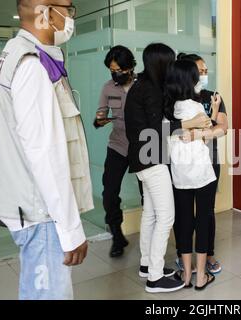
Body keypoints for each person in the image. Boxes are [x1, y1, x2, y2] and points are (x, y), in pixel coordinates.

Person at [0, 0, 93, 300]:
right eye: (67, 9)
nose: (70, 18)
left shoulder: (17, 55)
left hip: (31, 206)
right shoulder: (31, 65)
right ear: (43, 10)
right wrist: (71, 230)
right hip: (41, 212)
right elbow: (46, 155)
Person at [124, 43, 212, 293]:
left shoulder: (142, 86)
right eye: (170, 61)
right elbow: (155, 131)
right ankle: (154, 277)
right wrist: (190, 122)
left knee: (151, 214)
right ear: (161, 62)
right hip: (151, 159)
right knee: (166, 217)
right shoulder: (149, 90)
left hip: (142, 158)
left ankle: (146, 265)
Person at [165, 59, 220, 290]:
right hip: (202, 173)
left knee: (184, 220)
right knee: (204, 219)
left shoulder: (170, 109)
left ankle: (187, 275)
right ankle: (201, 276)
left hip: (180, 174)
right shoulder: (195, 107)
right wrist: (214, 110)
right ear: (189, 79)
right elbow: (209, 134)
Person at [175, 53, 228, 275]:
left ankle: (208, 254)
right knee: (183, 212)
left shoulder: (212, 96)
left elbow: (222, 127)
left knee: (207, 212)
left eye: (206, 70)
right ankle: (183, 255)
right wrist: (203, 131)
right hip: (183, 163)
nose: (203, 75)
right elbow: (174, 131)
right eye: (200, 71)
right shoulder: (177, 99)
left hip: (209, 160)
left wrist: (199, 134)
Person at [94, 45, 141, 258]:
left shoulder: (143, 85)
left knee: (148, 193)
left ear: (130, 67)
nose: (116, 74)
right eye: (112, 71)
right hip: (117, 146)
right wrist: (100, 120)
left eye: (120, 70)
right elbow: (100, 115)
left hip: (143, 147)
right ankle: (117, 236)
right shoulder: (108, 88)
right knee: (109, 193)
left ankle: (151, 237)